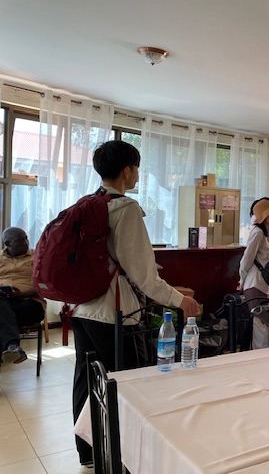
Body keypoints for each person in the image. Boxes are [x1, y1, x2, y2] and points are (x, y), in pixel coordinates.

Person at [71, 140, 200, 466]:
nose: (139, 174)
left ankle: (88, 452)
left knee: (86, 380)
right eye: (137, 168)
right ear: (127, 170)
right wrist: (180, 300)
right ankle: (126, 456)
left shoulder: (88, 203)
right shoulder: (125, 209)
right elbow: (145, 277)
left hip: (81, 309)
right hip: (113, 313)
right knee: (130, 384)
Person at [0, 227, 45, 366]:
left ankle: (11, 346)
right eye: (20, 241)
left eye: (26, 238)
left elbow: (46, 284)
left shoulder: (38, 257)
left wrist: (22, 294)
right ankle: (12, 346)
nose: (26, 242)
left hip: (30, 303)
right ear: (7, 244)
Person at [239, 198, 269, 308]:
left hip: (264, 285)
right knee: (260, 318)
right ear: (264, 216)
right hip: (255, 284)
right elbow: (246, 259)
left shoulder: (266, 234)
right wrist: (242, 281)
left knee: (264, 317)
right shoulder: (258, 233)